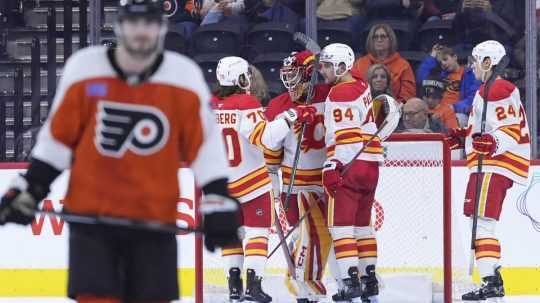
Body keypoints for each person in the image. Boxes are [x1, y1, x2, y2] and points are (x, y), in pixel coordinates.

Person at [0, 1, 240, 303]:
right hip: (92, 223)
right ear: (119, 26)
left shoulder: (183, 76)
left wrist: (217, 198)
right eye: (134, 23)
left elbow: (204, 147)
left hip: (154, 222)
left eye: (149, 24)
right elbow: (58, 141)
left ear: (162, 28)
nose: (141, 32)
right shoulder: (85, 68)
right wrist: (31, 187)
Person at [211, 56, 314, 303]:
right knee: (257, 234)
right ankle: (253, 285)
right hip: (250, 183)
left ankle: (234, 286)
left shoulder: (208, 105)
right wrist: (291, 117)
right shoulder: (246, 103)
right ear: (241, 78)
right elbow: (266, 138)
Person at [445, 40, 530, 301]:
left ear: (487, 62)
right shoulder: (490, 88)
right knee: (480, 221)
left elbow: (509, 129)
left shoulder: (496, 88)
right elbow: (490, 128)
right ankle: (492, 280)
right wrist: (466, 138)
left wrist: (492, 143)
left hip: (495, 164)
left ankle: (491, 282)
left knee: (482, 223)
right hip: (493, 163)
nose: (471, 66)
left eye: (475, 60)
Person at [319, 43, 398, 303]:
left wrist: (333, 165)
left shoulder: (339, 93)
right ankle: (369, 279)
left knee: (341, 228)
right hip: (371, 165)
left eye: (328, 65)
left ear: (342, 67)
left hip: (350, 164)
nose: (323, 70)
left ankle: (351, 282)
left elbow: (346, 136)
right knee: (363, 226)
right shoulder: (362, 85)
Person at [264, 50, 333, 303]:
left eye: (295, 76)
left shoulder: (330, 95)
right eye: (287, 77)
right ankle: (303, 286)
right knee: (301, 237)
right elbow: (271, 154)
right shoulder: (278, 105)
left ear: (309, 74)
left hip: (330, 182)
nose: (290, 84)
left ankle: (340, 285)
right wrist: (274, 188)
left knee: (333, 237)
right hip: (296, 187)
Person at [416, 44, 481, 126]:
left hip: (457, 113)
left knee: (459, 118)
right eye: (440, 62)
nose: (443, 63)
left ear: (455, 57)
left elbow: (473, 99)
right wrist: (432, 57)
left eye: (445, 59)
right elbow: (421, 78)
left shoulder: (470, 74)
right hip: (436, 111)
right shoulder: (440, 75)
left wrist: (453, 107)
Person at [353, 23, 417, 103]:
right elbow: (352, 90)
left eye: (383, 36)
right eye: (375, 37)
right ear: (371, 41)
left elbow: (408, 96)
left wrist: (392, 107)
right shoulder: (359, 64)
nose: (379, 40)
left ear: (390, 40)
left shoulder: (403, 66)